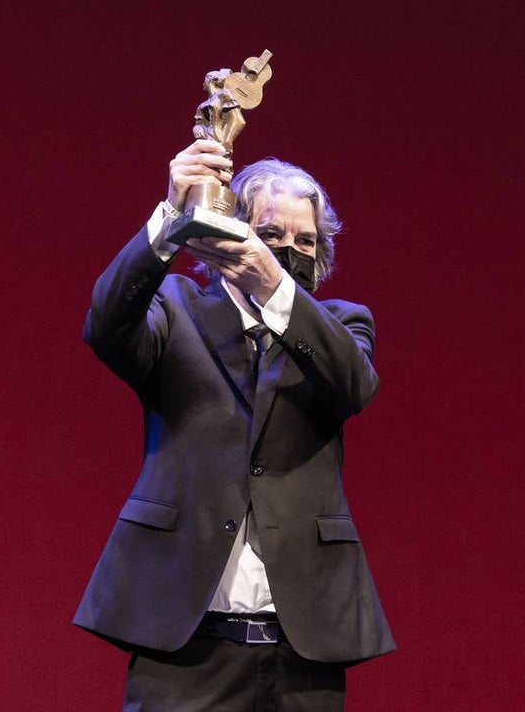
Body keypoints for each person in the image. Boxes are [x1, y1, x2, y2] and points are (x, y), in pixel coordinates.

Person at [74, 138, 394, 711]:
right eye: (270, 235)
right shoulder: (176, 309)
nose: (286, 251)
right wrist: (174, 213)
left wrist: (273, 285)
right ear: (231, 230)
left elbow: (355, 386)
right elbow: (106, 322)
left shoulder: (341, 325)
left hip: (300, 655)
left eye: (305, 241)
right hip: (185, 648)